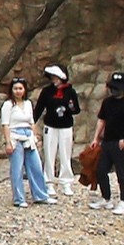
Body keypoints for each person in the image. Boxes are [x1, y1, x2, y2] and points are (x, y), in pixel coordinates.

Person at [95, 71, 124, 215]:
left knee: (122, 173)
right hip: (107, 141)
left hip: (121, 143)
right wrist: (96, 138)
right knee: (101, 170)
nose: (114, 90)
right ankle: (106, 198)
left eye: (117, 88)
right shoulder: (107, 102)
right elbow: (101, 120)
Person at [36, 65, 81, 206]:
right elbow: (39, 109)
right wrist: (31, 122)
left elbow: (76, 110)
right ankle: (49, 181)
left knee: (65, 153)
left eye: (56, 77)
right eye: (52, 77)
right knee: (49, 154)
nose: (54, 80)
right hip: (50, 126)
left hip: (66, 126)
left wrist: (68, 106)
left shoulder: (70, 91)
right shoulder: (46, 91)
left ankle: (66, 182)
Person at [0, 76, 46, 208]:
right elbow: (5, 124)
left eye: (20, 88)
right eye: (15, 89)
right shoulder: (8, 105)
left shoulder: (28, 103)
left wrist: (35, 136)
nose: (18, 91)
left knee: (36, 166)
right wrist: (8, 142)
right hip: (15, 135)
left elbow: (31, 122)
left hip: (28, 135)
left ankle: (40, 195)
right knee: (17, 168)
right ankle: (19, 198)